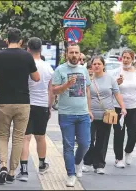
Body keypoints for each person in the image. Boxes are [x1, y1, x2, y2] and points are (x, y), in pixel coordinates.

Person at [0, 28, 40, 184]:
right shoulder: (27, 56)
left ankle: (3, 166)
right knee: (18, 138)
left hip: (3, 101)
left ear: (6, 40)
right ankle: (12, 172)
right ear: (20, 41)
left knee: (2, 136)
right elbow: (36, 78)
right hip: (22, 102)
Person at [52, 43, 93, 187]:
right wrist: (66, 85)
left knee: (85, 144)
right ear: (66, 54)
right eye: (71, 52)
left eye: (76, 52)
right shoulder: (60, 70)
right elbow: (54, 91)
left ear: (80, 54)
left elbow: (87, 90)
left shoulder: (83, 70)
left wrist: (89, 109)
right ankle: (70, 174)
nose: (74, 55)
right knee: (68, 146)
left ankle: (77, 163)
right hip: (66, 114)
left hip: (82, 114)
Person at [16, 37, 54, 181]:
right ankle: (42, 164)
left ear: (28, 49)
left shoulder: (24, 66)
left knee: (25, 138)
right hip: (42, 105)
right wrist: (49, 107)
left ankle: (24, 170)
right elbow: (51, 91)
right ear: (41, 49)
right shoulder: (48, 67)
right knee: (40, 137)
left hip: (26, 104)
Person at [82, 56, 126, 174]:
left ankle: (99, 164)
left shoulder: (110, 79)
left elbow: (117, 94)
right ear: (91, 66)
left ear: (103, 65)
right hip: (89, 114)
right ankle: (87, 162)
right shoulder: (88, 78)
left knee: (102, 140)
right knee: (88, 140)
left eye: (99, 64)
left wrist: (122, 107)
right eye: (94, 64)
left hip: (106, 114)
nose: (96, 66)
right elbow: (84, 95)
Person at [113, 50, 136, 168]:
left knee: (134, 132)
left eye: (128, 58)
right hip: (118, 107)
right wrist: (117, 83)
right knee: (119, 133)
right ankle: (119, 158)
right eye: (124, 57)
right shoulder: (117, 72)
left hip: (134, 107)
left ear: (132, 59)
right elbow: (111, 89)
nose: (125, 60)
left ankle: (128, 151)